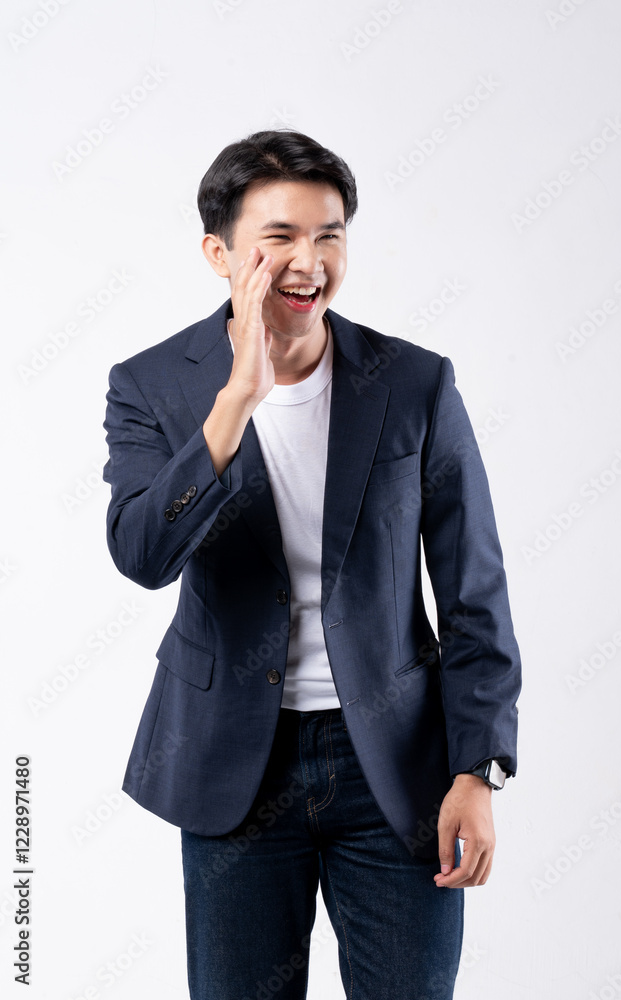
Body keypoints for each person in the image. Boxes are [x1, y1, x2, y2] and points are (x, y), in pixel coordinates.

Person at [103, 130, 522, 1000]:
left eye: (329, 235)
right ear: (220, 253)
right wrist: (237, 401)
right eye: (280, 237)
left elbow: (473, 594)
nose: (308, 261)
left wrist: (475, 769)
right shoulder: (151, 386)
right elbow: (142, 554)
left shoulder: (413, 384)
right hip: (231, 767)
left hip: (397, 769)